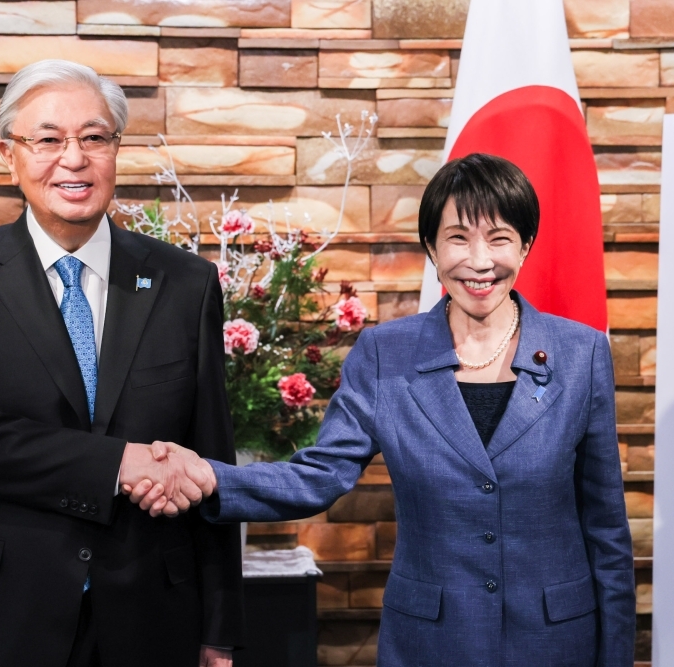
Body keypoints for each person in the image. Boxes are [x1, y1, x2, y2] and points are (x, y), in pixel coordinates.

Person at [128, 153, 636, 666]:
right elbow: (320, 475)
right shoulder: (384, 354)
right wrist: (209, 478)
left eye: (500, 238)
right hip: (430, 644)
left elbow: (606, 530)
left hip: (556, 643)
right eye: (458, 237)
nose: (480, 260)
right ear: (431, 249)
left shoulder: (581, 354)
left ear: (525, 246)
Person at [0, 59, 242, 667]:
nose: (73, 157)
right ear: (9, 156)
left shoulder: (186, 283)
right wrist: (119, 463)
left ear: (116, 150)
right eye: (47, 139)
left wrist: (220, 629)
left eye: (94, 137)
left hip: (150, 614)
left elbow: (210, 458)